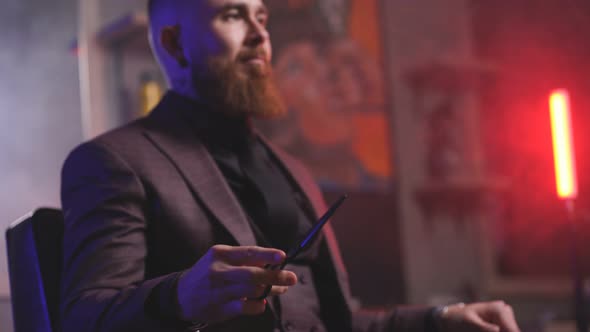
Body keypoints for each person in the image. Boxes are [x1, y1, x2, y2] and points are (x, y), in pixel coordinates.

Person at [59, 0, 521, 331]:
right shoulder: (113, 161)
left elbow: (332, 322)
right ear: (174, 42)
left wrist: (440, 320)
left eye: (262, 16)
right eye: (232, 14)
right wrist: (181, 295)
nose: (260, 33)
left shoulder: (293, 171)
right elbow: (84, 317)